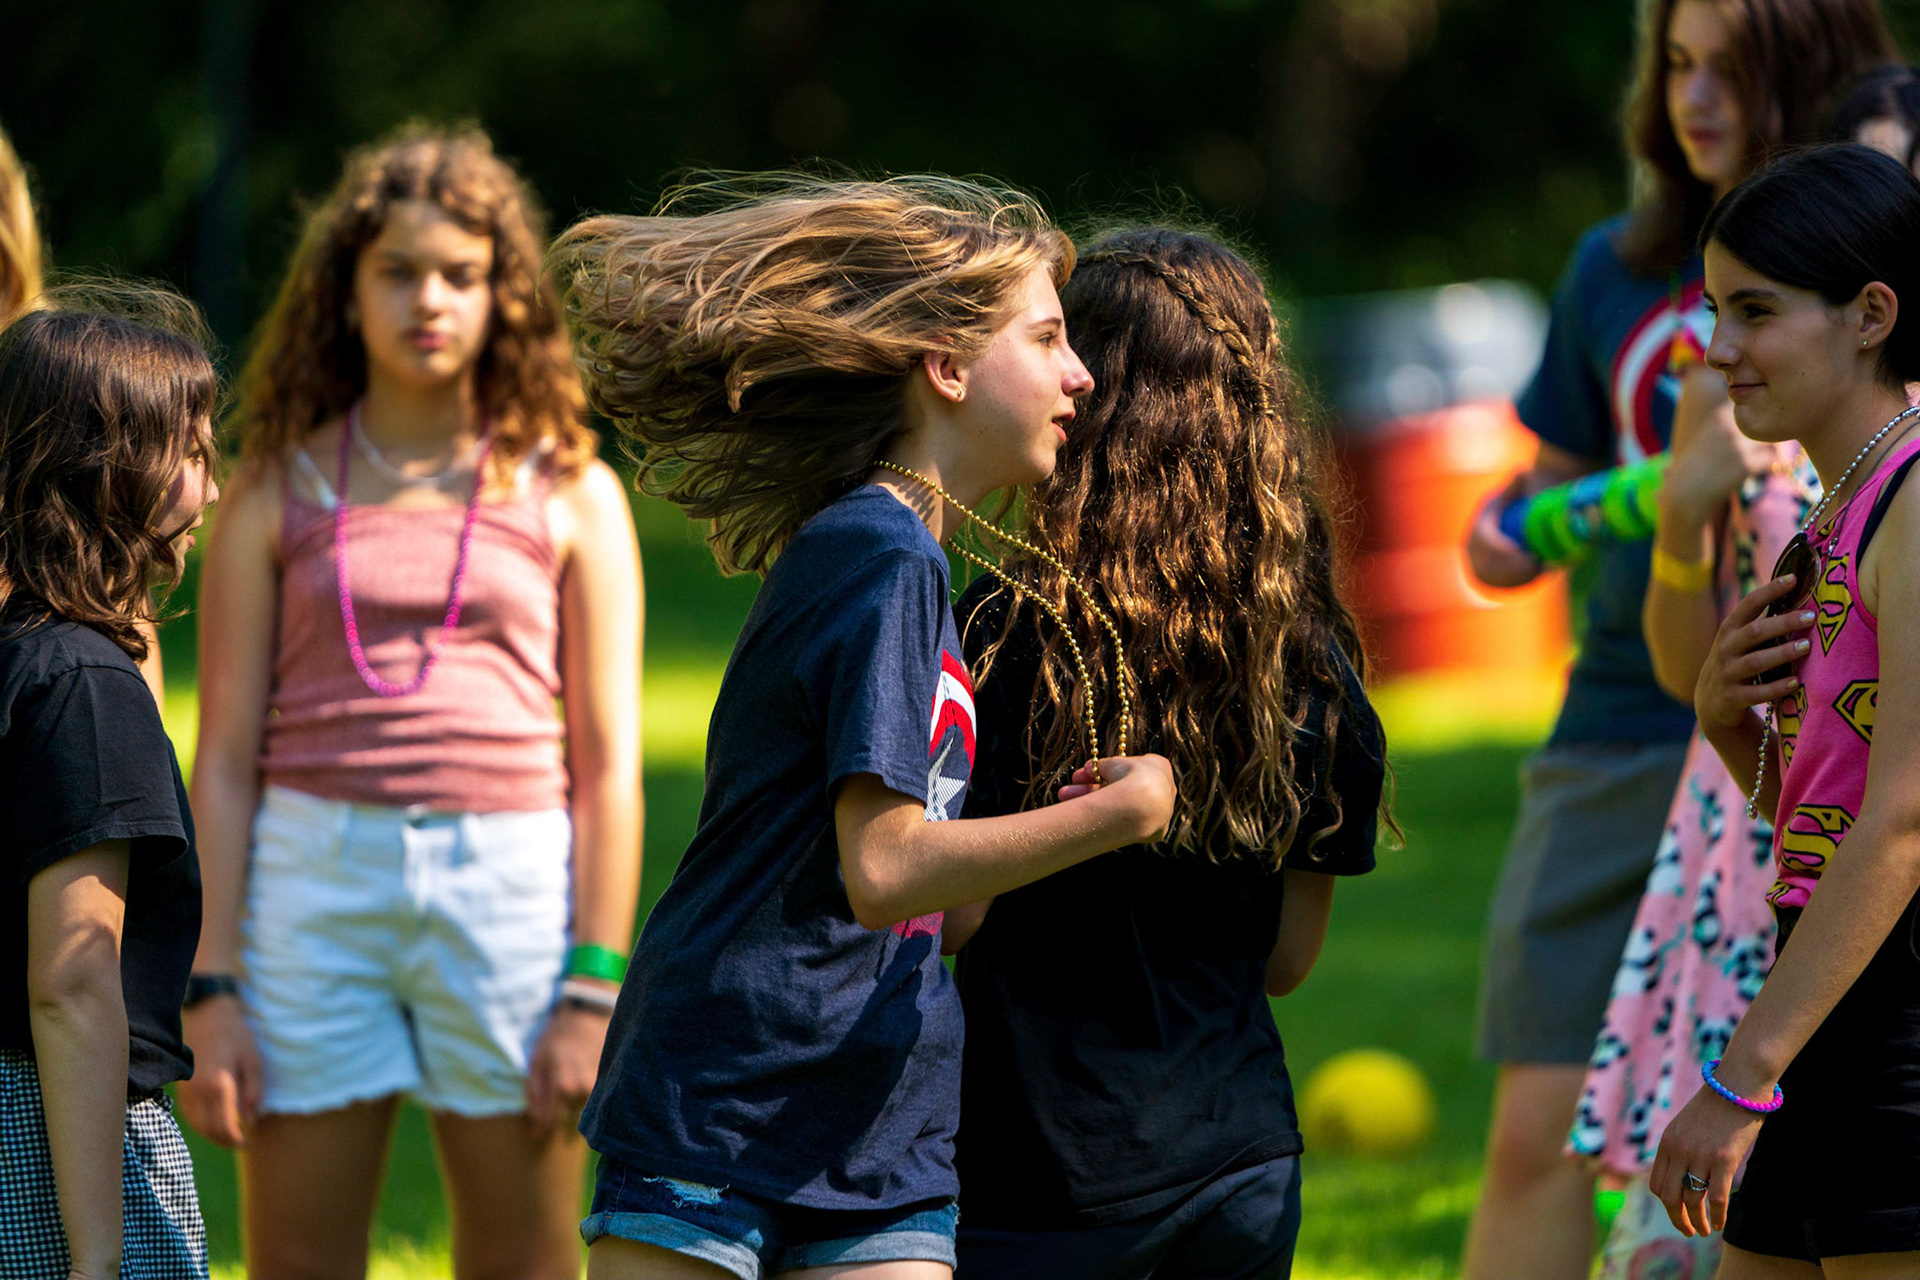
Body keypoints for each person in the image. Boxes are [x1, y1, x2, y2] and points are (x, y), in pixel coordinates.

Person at [554, 175, 1177, 1280]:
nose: (1080, 374)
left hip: (881, 1112)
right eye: (1046, 339)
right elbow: (885, 867)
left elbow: (944, 906)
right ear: (946, 367)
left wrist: (1042, 822)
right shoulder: (877, 553)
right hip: (731, 1096)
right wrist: (1126, 813)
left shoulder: (914, 562)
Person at [1459, 3, 1895, 1274]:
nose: (1692, 97)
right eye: (1677, 66)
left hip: (1844, 851)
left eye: (1731, 66)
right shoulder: (1613, 266)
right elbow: (1508, 525)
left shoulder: (1884, 409)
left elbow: (1900, 808)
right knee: (1550, 1128)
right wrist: (1656, 512)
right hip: (1646, 737)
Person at [177, 124, 643, 1280]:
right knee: (295, 1261)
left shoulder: (570, 485)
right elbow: (224, 752)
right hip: (309, 888)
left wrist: (593, 985)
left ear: (502, 294)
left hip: (512, 886)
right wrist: (211, 983)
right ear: (345, 289)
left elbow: (610, 759)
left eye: (460, 274)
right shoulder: (274, 483)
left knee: (527, 1261)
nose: (427, 298)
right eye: (396, 270)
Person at [941, 228, 1389, 1279]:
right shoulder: (1313, 664)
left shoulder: (1004, 633)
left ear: (1083, 394)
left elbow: (952, 915)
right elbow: (1285, 961)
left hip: (1042, 1172)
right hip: (1241, 1164)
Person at [1650, 142, 1920, 1273]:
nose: (1719, 351)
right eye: (1715, 309)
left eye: (1755, 310)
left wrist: (1740, 1073)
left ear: (1869, 313)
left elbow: (1904, 825)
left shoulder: (1913, 501)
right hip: (1821, 987)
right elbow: (1828, 818)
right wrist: (1729, 726)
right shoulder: (1837, 507)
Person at [0, 287, 220, 1280]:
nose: (211, 493)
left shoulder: (24, 655)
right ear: (111, 467)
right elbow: (72, 982)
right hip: (58, 1135)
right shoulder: (85, 683)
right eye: (194, 454)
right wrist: (97, 1254)